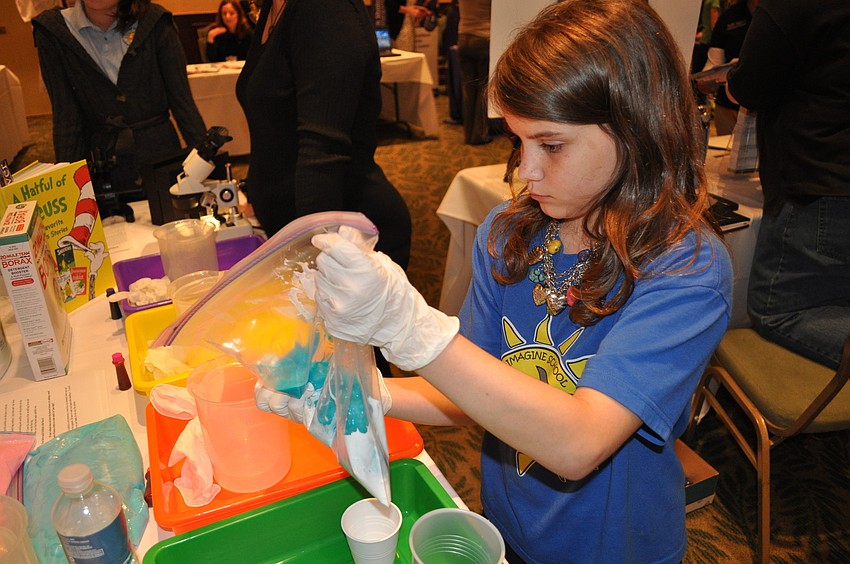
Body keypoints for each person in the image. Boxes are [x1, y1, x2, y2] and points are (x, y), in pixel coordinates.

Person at [256, 1, 733, 562]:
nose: (526, 173)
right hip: (510, 523)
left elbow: (578, 442)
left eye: (551, 145)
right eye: (518, 142)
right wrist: (369, 395)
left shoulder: (685, 269)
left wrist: (410, 331)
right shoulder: (509, 234)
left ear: (637, 128)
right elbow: (473, 386)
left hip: (614, 545)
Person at [236, 0, 412, 376]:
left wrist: (314, 260)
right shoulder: (274, 7)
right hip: (305, 234)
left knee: (357, 394)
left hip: (341, 239)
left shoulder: (325, 9)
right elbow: (278, 131)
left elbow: (323, 152)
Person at [725, 0, 850, 369]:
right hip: (828, 183)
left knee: (777, 310)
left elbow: (750, 87)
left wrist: (732, 81)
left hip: (818, 184)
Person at [33, 0, 207, 221]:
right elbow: (66, 118)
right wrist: (69, 197)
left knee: (174, 236)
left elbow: (183, 105)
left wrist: (208, 169)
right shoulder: (54, 30)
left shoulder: (154, 21)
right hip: (100, 166)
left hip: (160, 160)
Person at [702, 0, 758, 135]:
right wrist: (706, 80)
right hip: (728, 108)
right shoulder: (729, 17)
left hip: (762, 109)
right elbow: (713, 62)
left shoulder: (776, 16)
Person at [457, 0, 492, 145]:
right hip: (483, 37)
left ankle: (468, 133)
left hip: (463, 36)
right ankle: (479, 134)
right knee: (482, 89)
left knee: (468, 90)